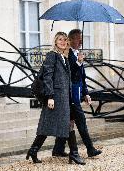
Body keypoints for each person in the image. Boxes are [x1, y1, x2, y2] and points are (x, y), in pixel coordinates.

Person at [26, 32, 85, 165]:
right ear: (55, 41)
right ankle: (74, 154)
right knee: (64, 124)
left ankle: (33, 150)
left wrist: (79, 62)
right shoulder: (52, 56)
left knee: (55, 125)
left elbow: (70, 77)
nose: (63, 42)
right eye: (60, 39)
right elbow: (47, 77)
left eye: (65, 40)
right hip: (56, 98)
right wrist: (50, 97)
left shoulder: (63, 57)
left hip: (64, 98)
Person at [52, 29, 102, 158]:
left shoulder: (77, 53)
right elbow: (70, 73)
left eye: (81, 38)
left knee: (69, 121)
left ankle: (58, 149)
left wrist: (86, 93)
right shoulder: (66, 53)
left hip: (76, 93)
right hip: (69, 94)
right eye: (78, 38)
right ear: (70, 39)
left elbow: (81, 77)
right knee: (80, 120)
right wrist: (79, 62)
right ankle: (90, 149)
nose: (80, 41)